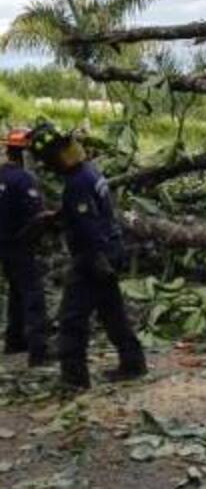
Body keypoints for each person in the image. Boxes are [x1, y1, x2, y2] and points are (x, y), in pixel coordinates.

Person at [30, 121, 146, 391]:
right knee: (112, 312)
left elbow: (88, 223)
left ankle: (74, 378)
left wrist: (95, 259)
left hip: (93, 257)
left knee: (71, 318)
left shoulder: (76, 183)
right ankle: (133, 362)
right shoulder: (89, 172)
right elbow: (92, 212)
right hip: (110, 250)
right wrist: (58, 216)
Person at [0, 128, 51, 367]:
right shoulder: (23, 179)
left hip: (4, 244)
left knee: (16, 292)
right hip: (19, 243)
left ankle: (14, 340)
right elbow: (36, 215)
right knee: (33, 294)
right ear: (24, 154)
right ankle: (39, 349)